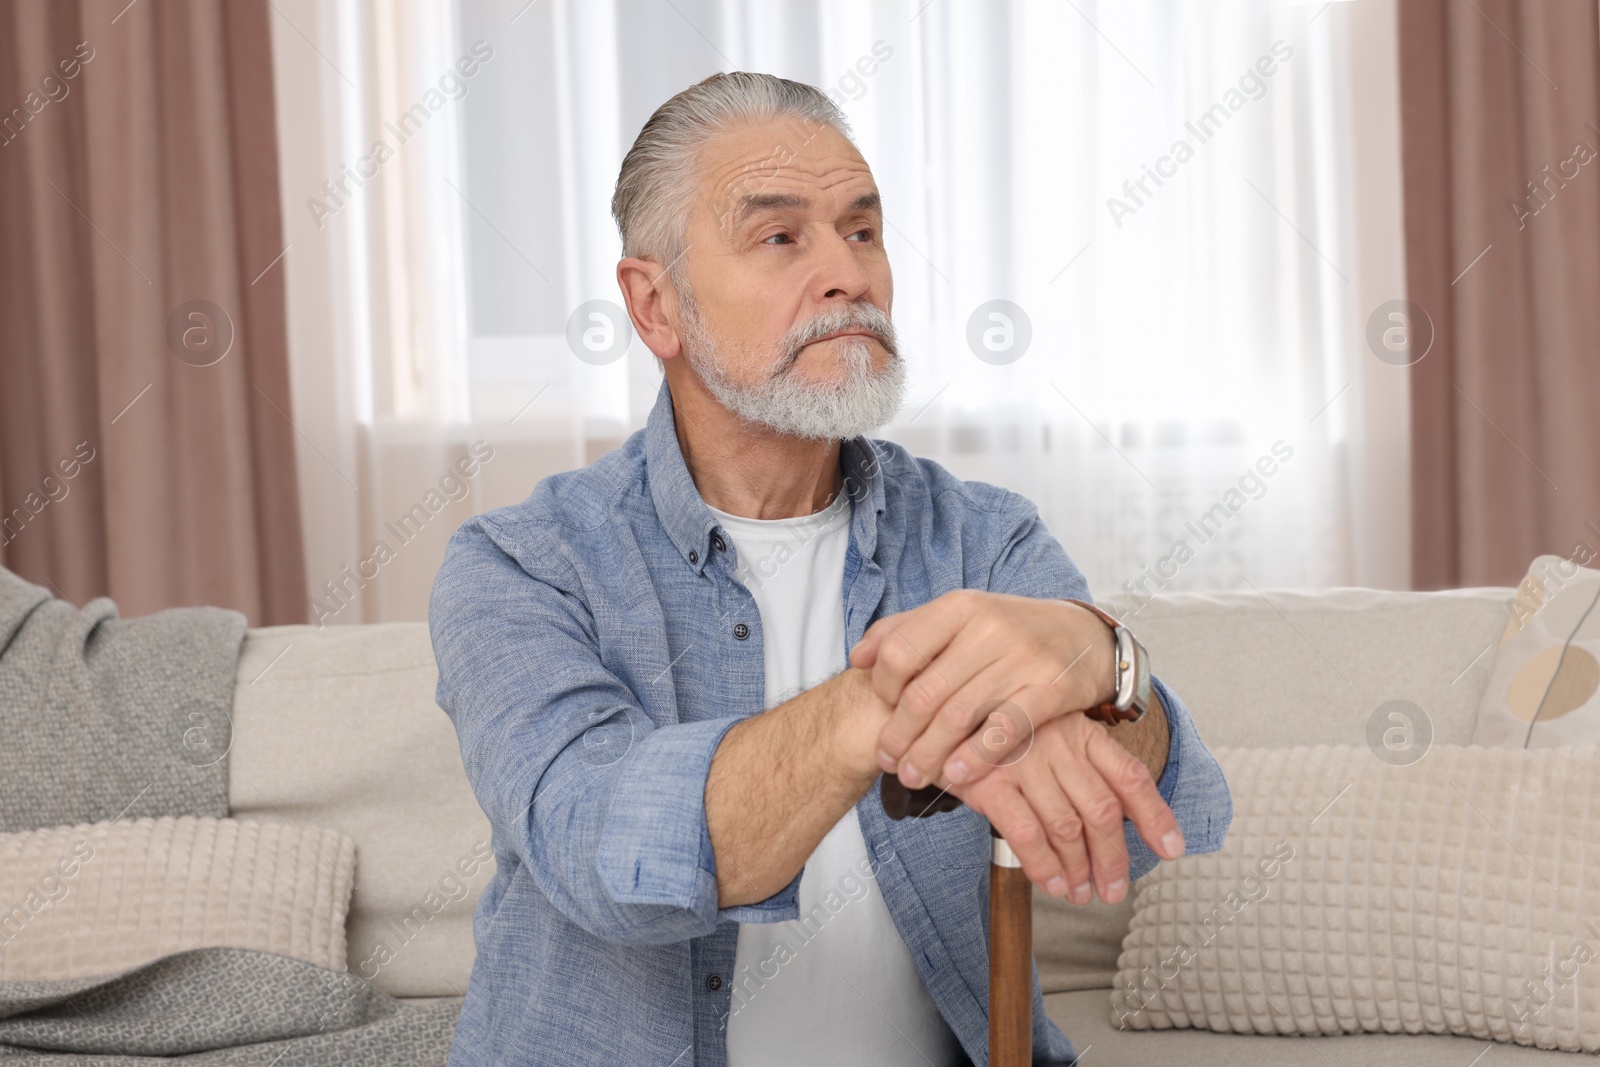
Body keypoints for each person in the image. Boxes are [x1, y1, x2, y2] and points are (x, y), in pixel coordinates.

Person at [429, 70, 1232, 1067]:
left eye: (861, 231)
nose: (847, 274)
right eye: (780, 237)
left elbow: (1173, 811)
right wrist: (879, 708)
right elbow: (605, 854)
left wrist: (1102, 659)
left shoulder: (981, 537)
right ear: (654, 303)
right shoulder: (519, 565)